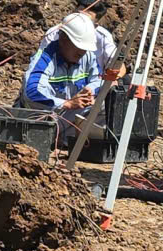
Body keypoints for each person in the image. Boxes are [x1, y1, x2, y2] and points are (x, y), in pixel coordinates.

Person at [17, 9, 122, 149]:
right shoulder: (45, 59)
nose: (82, 52)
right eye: (78, 46)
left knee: (105, 103)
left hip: (67, 117)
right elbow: (32, 92)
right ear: (63, 39)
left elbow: (97, 79)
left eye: (85, 48)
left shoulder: (88, 56)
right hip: (40, 119)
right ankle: (52, 139)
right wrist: (66, 103)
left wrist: (90, 90)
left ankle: (69, 142)